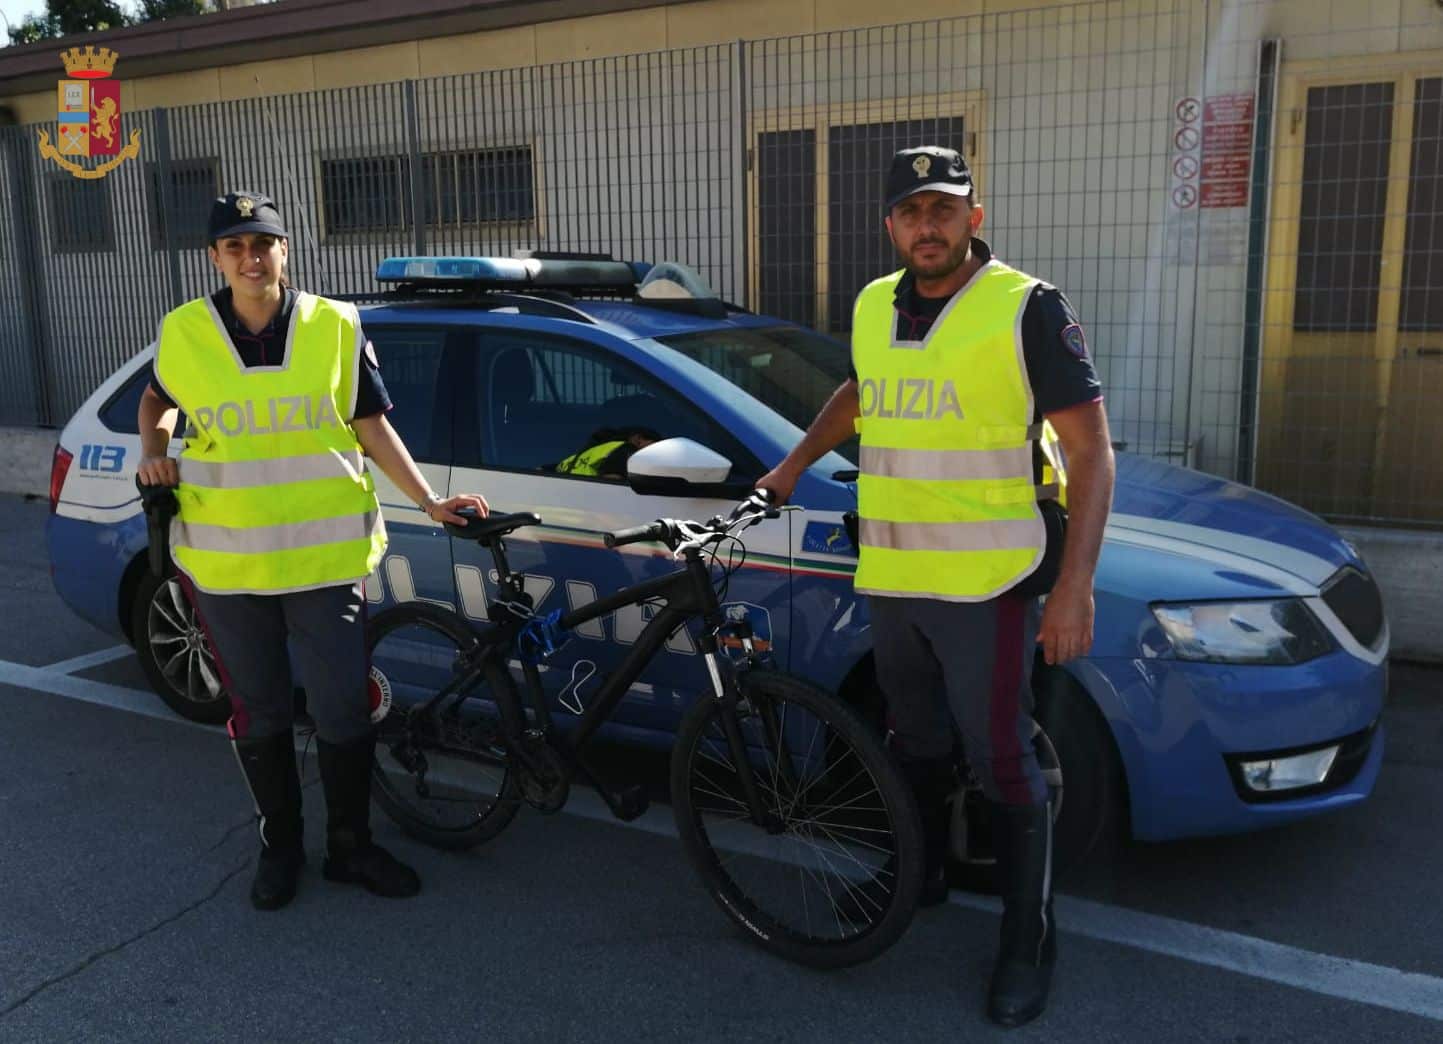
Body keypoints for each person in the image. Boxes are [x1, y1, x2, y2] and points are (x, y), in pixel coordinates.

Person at [756, 147, 1114, 1028]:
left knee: (1001, 758)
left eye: (944, 209)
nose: (928, 225)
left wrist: (1075, 589)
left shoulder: (1025, 308)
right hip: (894, 569)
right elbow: (861, 391)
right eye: (912, 211)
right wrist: (792, 464)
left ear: (973, 218)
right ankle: (917, 879)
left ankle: (1028, 938)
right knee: (911, 739)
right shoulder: (875, 303)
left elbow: (1089, 453)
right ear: (889, 225)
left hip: (988, 580)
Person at [136, 190, 489, 911]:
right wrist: (154, 452)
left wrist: (427, 501)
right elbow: (156, 400)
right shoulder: (184, 332)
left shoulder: (333, 325)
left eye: (262, 243)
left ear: (285, 250)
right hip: (229, 565)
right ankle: (282, 847)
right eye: (234, 246)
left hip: (325, 564)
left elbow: (371, 425)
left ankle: (351, 848)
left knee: (342, 712)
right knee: (259, 713)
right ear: (215, 258)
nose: (250, 257)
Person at [554, 425, 661, 479]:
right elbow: (613, 482)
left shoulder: (587, 453)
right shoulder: (626, 450)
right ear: (638, 439)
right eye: (654, 445)